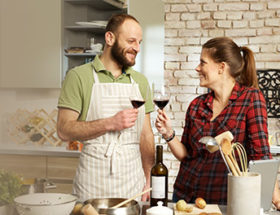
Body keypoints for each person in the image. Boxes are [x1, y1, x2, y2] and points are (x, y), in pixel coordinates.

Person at [155, 36, 280, 207]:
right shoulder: (196, 105)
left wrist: (276, 197)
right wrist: (168, 133)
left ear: (221, 67)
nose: (197, 68)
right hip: (185, 196)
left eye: (202, 62)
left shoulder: (251, 99)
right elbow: (186, 155)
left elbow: (261, 155)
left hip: (224, 200)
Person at [57, 14, 155, 202]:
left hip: (133, 183)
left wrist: (149, 178)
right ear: (109, 38)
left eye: (140, 42)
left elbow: (146, 135)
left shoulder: (140, 81)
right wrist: (110, 123)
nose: (137, 48)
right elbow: (63, 130)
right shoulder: (78, 77)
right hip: (92, 184)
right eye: (131, 41)